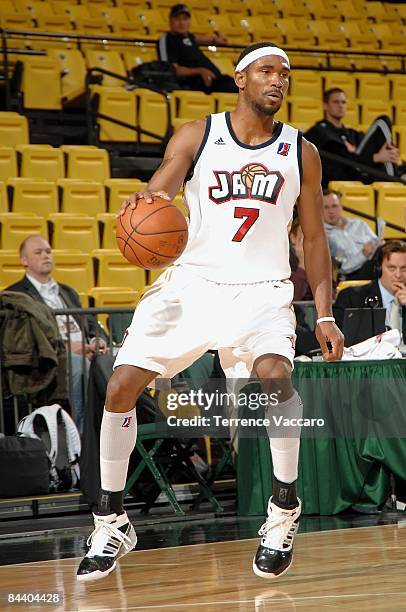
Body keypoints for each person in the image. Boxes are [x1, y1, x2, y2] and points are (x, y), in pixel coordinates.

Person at [76, 41, 343, 583]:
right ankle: (110, 520)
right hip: (193, 284)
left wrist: (325, 314)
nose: (278, 80)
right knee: (121, 386)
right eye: (267, 71)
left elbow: (313, 239)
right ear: (240, 79)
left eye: (285, 74)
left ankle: (283, 509)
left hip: (263, 288)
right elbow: (165, 184)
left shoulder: (301, 152)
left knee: (275, 377)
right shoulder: (199, 133)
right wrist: (146, 201)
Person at [5, 235, 108, 433]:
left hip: (87, 352)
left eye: (48, 251)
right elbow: (25, 341)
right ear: (24, 260)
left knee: (121, 361)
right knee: (80, 366)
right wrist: (68, 348)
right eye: (38, 252)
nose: (46, 255)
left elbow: (89, 323)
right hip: (51, 359)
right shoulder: (16, 295)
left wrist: (96, 341)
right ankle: (81, 438)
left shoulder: (68, 291)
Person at [305, 87, 401, 186]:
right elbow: (335, 163)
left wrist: (389, 155)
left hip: (362, 176)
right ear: (325, 106)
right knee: (382, 121)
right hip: (341, 178)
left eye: (343, 102)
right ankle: (395, 178)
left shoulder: (353, 134)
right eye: (336, 102)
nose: (340, 106)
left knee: (382, 143)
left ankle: (396, 174)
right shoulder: (318, 131)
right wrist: (375, 158)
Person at [334, 240, 406, 340]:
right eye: (392, 268)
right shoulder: (351, 298)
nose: (398, 275)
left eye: (404, 269)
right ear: (379, 268)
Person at [157, 4, 238, 94]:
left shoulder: (187, 37)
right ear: (170, 21)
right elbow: (170, 70)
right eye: (177, 19)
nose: (182, 23)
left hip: (216, 79)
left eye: (185, 19)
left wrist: (214, 39)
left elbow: (195, 37)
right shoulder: (168, 39)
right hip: (197, 84)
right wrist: (200, 71)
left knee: (241, 87)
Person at [323, 189, 383, 280]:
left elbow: (377, 243)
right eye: (326, 207)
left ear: (341, 207)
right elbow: (342, 269)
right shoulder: (324, 235)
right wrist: (363, 254)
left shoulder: (359, 224)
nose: (331, 211)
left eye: (334, 206)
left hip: (375, 264)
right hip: (352, 275)